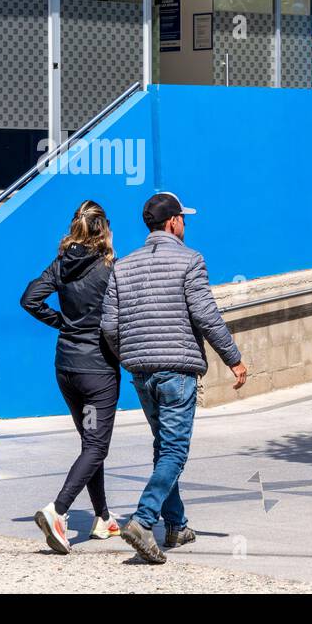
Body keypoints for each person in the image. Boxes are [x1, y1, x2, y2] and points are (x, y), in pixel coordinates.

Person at [100, 191, 247, 565]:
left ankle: (177, 525)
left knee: (163, 446)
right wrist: (233, 358)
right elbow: (205, 315)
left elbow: (109, 326)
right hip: (177, 371)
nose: (186, 224)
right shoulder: (190, 260)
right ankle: (144, 520)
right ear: (173, 222)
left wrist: (132, 358)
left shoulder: (123, 266)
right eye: (184, 218)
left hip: (141, 373)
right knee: (175, 450)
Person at [20, 200, 122, 554]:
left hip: (66, 368)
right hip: (97, 372)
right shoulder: (110, 269)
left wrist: (62, 323)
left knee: (90, 445)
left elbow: (29, 299)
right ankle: (58, 510)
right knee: (96, 446)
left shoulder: (62, 264)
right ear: (103, 229)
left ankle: (103, 518)